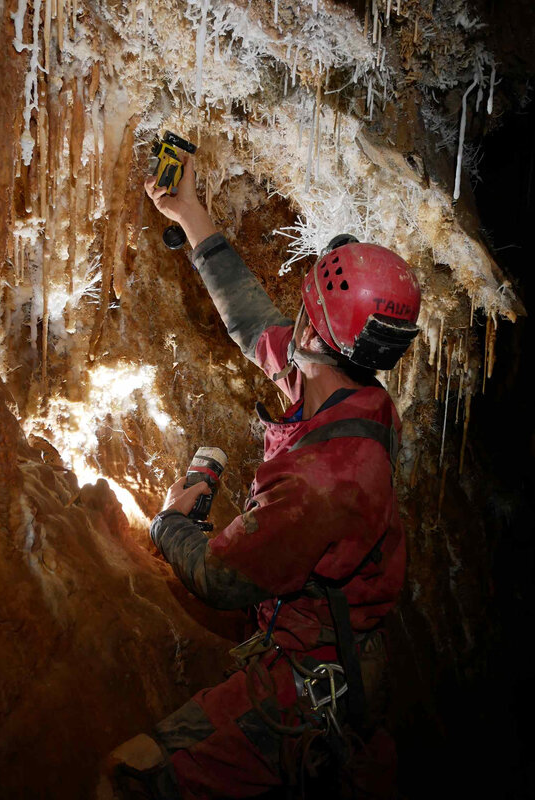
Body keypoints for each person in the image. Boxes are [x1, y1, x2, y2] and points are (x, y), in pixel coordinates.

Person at [98, 155, 421, 800]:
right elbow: (251, 324)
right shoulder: (348, 395)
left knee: (127, 778)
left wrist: (169, 524)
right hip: (335, 656)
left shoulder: (325, 481)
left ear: (312, 327)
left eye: (301, 304)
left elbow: (223, 577)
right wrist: (190, 214)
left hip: (308, 686)